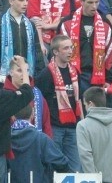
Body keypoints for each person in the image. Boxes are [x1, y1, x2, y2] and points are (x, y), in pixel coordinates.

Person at [35, 35, 82, 171]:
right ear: (55, 52)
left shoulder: (75, 72)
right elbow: (39, 101)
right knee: (54, 168)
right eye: (66, 48)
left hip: (73, 127)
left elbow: (78, 100)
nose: (70, 51)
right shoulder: (46, 74)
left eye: (71, 48)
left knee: (75, 168)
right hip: (55, 127)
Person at [59, 0, 112, 94]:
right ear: (81, 1)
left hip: (98, 77)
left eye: (97, 2)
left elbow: (109, 54)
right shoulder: (67, 23)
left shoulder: (105, 24)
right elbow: (59, 52)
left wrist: (108, 79)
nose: (94, 6)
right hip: (73, 76)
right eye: (90, 2)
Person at [8, 103, 69, 183]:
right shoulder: (42, 139)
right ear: (32, 115)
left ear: (13, 117)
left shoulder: (5, 140)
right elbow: (61, 163)